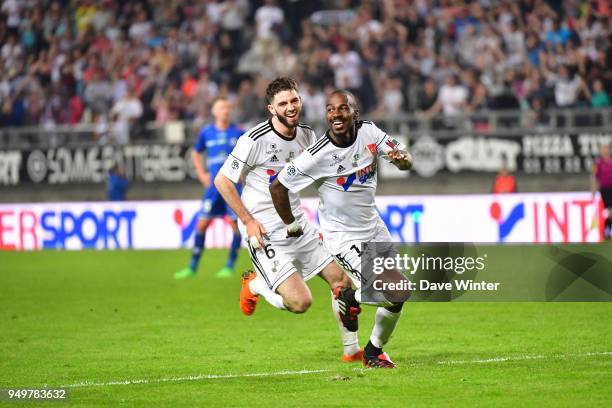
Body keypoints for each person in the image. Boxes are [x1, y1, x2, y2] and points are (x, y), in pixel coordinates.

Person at [214, 77, 362, 362]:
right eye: (283, 103)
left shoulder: (307, 136)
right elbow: (222, 181)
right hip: (265, 231)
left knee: (342, 281)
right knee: (301, 302)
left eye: (294, 100)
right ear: (272, 108)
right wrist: (247, 220)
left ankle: (351, 351)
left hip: (297, 225)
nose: (290, 107)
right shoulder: (253, 140)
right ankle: (256, 284)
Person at [270, 90, 413, 368]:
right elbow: (278, 185)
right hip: (343, 238)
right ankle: (349, 296)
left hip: (374, 228)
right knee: (397, 291)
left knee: (397, 298)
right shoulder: (317, 154)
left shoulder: (369, 132)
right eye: (330, 109)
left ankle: (373, 351)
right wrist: (291, 223)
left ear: (355, 113)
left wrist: (403, 160)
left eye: (342, 109)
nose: (335, 114)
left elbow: (402, 155)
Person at [175, 97, 244, 279]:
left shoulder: (238, 132)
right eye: (221, 107)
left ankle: (229, 266)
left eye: (227, 107)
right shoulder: (207, 132)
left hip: (233, 187)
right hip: (213, 189)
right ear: (214, 111)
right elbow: (196, 152)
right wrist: (201, 174)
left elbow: (250, 155)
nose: (225, 110)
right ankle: (192, 267)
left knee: (235, 225)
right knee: (202, 223)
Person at [592, 144, 612, 240]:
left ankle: (606, 232)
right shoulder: (598, 163)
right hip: (605, 190)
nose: (605, 151)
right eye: (603, 149)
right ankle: (606, 233)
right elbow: (595, 177)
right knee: (610, 212)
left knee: (610, 213)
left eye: (607, 149)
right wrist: (593, 190)